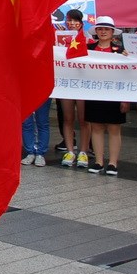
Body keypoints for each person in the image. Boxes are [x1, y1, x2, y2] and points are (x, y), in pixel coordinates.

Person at [83, 16, 128, 176]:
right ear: (96, 31)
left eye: (106, 29)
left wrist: (125, 98)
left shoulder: (120, 50)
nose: (103, 32)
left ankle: (113, 163)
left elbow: (127, 75)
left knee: (114, 128)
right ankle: (99, 161)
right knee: (96, 127)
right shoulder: (89, 49)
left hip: (114, 94)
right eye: (100, 29)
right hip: (94, 93)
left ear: (112, 32)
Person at [58, 9, 90, 168]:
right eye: (69, 20)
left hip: (84, 84)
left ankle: (83, 152)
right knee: (68, 118)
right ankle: (70, 151)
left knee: (84, 120)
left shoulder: (89, 38)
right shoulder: (59, 38)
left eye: (75, 20)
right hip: (67, 83)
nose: (72, 23)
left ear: (81, 22)